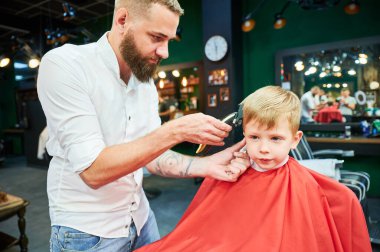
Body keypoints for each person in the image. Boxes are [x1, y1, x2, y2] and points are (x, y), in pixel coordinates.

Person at [37, 1, 250, 251]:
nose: (165, 52)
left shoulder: (144, 83)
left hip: (140, 219)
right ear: (123, 20)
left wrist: (207, 165)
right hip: (87, 232)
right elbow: (93, 171)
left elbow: (150, 156)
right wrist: (175, 131)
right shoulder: (66, 65)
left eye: (169, 39)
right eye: (157, 37)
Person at [136, 86, 371, 252]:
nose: (263, 149)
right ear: (244, 134)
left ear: (295, 139)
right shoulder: (229, 173)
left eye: (275, 139)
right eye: (254, 137)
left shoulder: (305, 186)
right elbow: (203, 232)